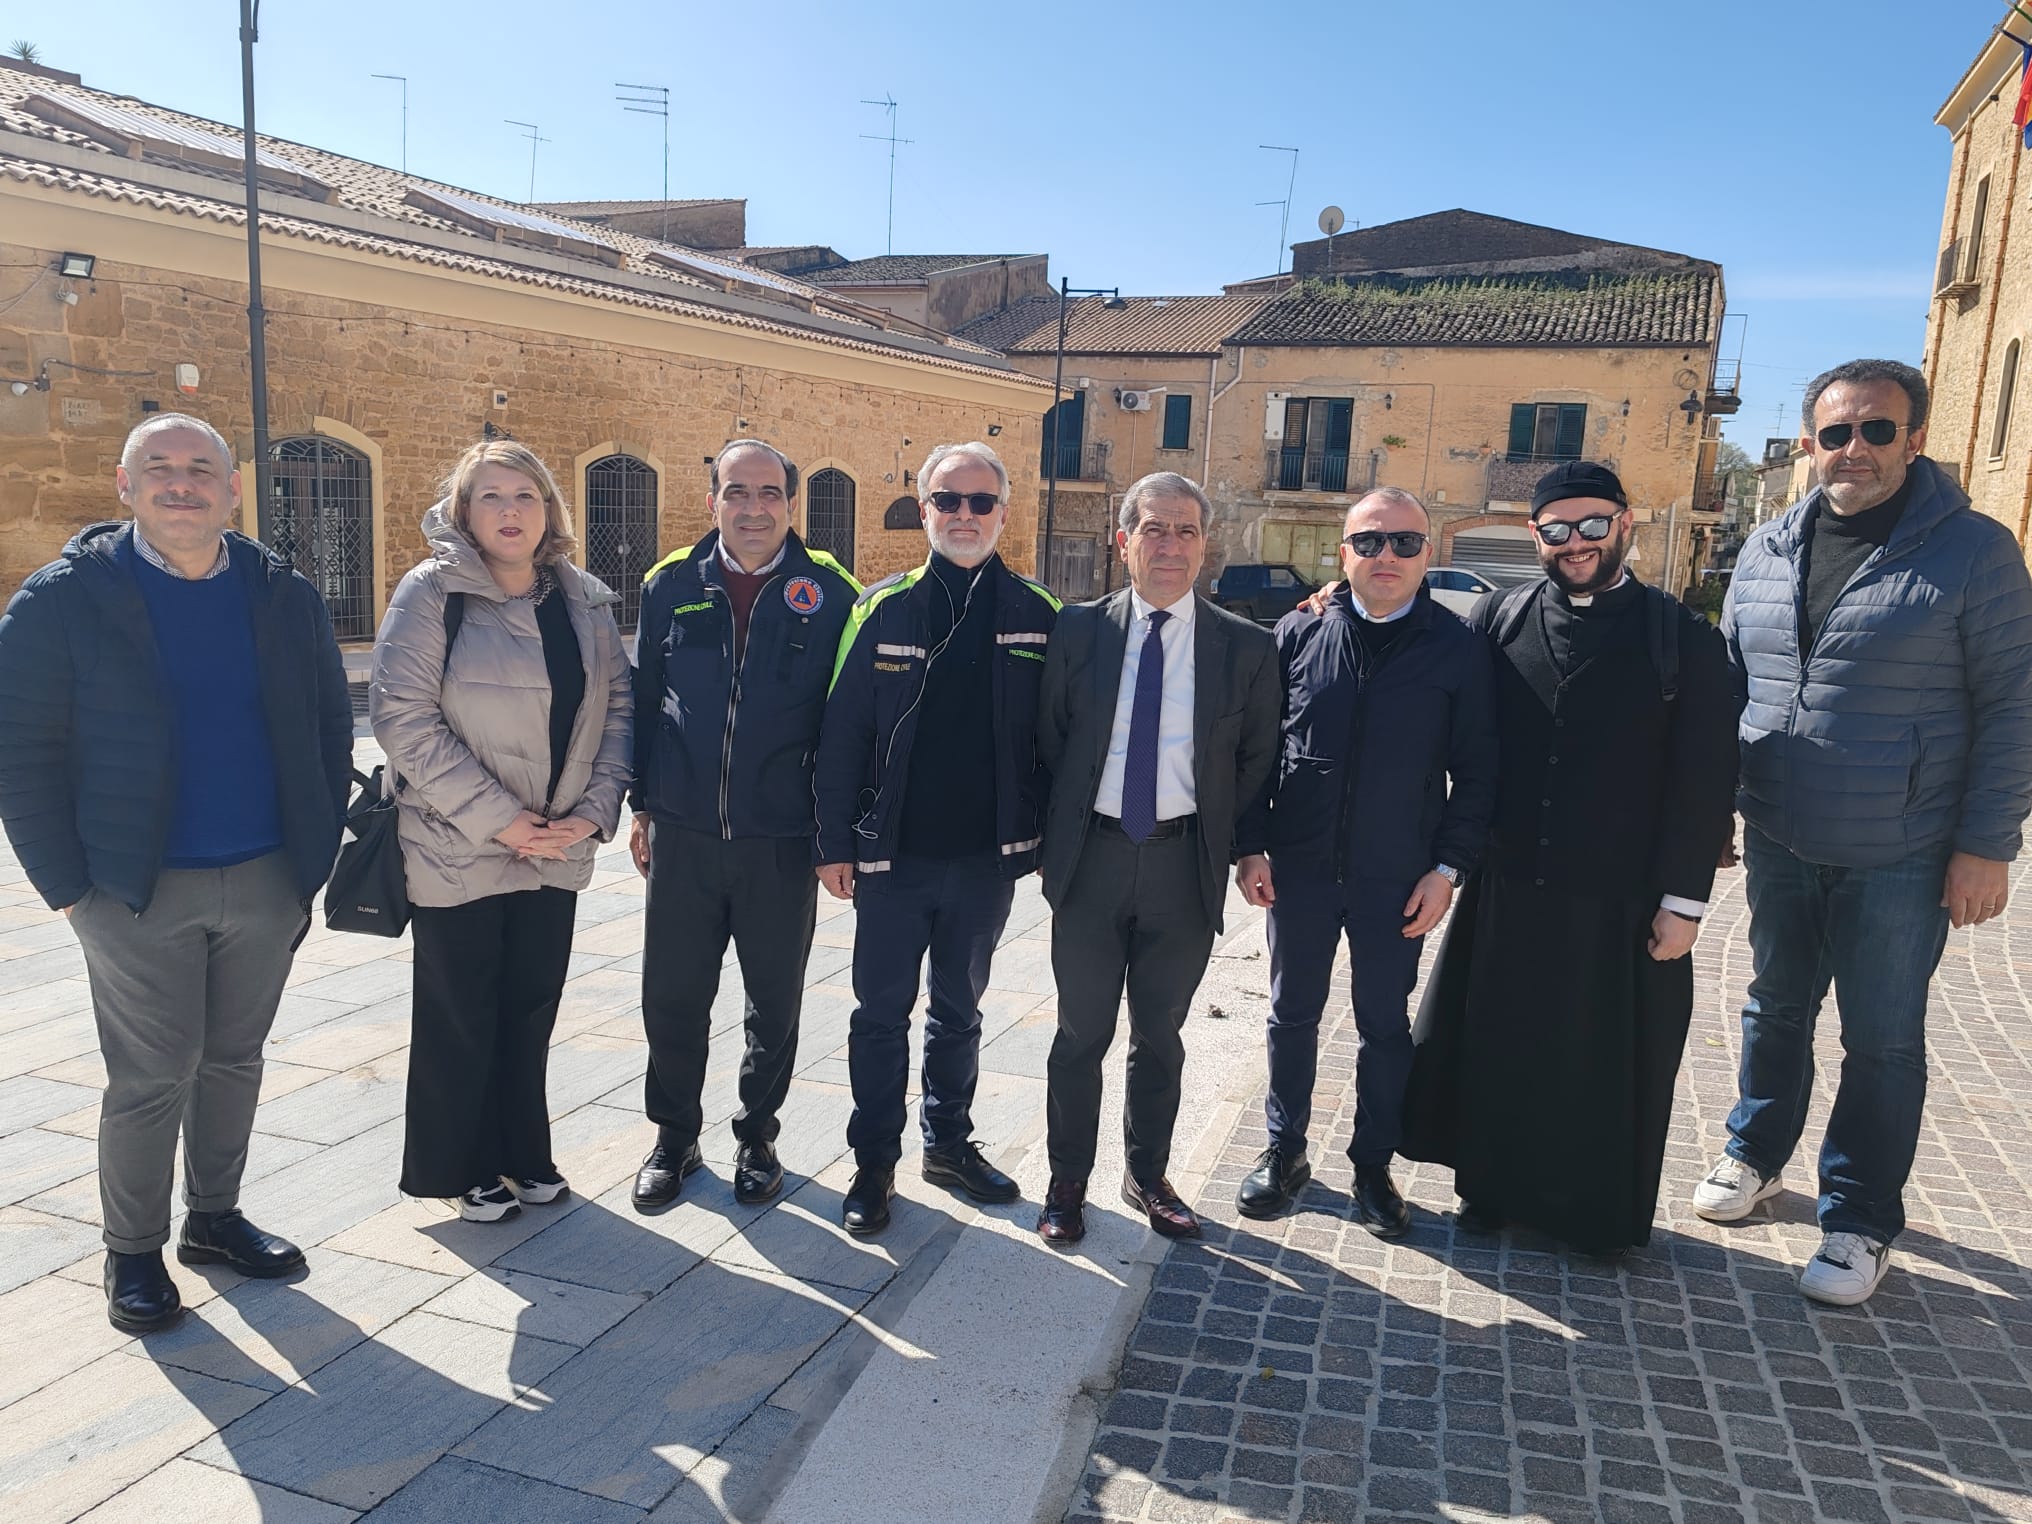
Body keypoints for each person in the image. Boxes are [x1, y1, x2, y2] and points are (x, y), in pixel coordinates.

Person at [0, 414, 352, 1332]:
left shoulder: (283, 594)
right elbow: (20, 750)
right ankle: (132, 1252)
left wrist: (311, 857)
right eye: (159, 467)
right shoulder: (64, 599)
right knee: (152, 1074)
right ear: (125, 486)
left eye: (201, 468)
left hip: (266, 877)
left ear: (232, 489)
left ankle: (215, 1219)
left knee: (234, 1059)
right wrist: (68, 889)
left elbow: (327, 725)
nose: (180, 483)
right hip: (134, 886)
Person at [1694, 359, 2032, 1304]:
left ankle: (1859, 1218)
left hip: (1903, 848)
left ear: (1913, 440)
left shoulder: (1974, 552)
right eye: (1836, 433)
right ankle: (1755, 1154)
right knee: (1774, 1008)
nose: (1855, 449)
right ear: (1811, 443)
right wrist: (1710, 808)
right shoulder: (1766, 549)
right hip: (1780, 834)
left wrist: (1987, 845)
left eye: (1877, 430)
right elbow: (1730, 686)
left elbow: (2014, 706)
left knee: (1881, 1039)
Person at [1398, 461, 1740, 1256]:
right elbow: (1423, 667)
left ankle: (1592, 1218)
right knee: (1504, 1044)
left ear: (1625, 524)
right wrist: (1331, 605)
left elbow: (1705, 777)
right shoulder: (1498, 618)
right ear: (1536, 535)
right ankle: (1491, 1190)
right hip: (1510, 887)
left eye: (1592, 525)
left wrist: (1684, 902)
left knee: (1600, 1063)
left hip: (1623, 898)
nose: (1576, 542)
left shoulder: (1681, 638)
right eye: (1557, 529)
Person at [371, 441, 632, 1223]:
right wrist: (503, 821)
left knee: (530, 1006)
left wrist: (595, 811)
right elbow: (402, 720)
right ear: (463, 511)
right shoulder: (431, 593)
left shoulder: (584, 599)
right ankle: (462, 1165)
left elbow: (620, 710)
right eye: (491, 496)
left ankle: (523, 1151)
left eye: (526, 495)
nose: (510, 511)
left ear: (549, 508)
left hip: (556, 843)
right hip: (457, 845)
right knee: (461, 1012)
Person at [1229, 487, 1497, 1235]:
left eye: (1404, 542)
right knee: (1291, 1014)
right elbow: (1257, 752)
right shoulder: (1298, 632)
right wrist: (1249, 845)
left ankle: (1373, 1165)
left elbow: (1479, 772)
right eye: (1370, 541)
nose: (1387, 556)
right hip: (1300, 868)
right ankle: (1284, 1150)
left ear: (1427, 554)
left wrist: (1448, 870)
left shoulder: (1458, 647)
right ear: (1343, 552)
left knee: (1383, 1024)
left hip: (1398, 876)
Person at [815, 442, 1060, 1234]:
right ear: (924, 510)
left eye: (980, 502)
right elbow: (842, 733)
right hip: (893, 859)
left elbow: (1064, 736)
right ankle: (873, 1165)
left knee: (960, 1012)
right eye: (947, 500)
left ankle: (948, 1146)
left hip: (986, 861)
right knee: (879, 1016)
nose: (964, 515)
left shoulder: (1039, 613)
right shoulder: (881, 609)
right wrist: (832, 842)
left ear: (1003, 514)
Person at [1034, 471, 1280, 1246]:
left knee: (1160, 1037)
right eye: (1154, 528)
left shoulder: (1247, 648)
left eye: (1185, 531)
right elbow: (1050, 741)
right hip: (1093, 863)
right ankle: (1067, 1181)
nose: (1170, 545)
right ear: (1124, 541)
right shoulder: (1078, 632)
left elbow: (1256, 761)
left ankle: (1147, 1175)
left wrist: (1247, 850)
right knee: (1080, 1035)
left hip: (1183, 869)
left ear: (1205, 545)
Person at [629, 440, 859, 1211]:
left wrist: (834, 836)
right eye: (737, 492)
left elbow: (844, 725)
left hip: (780, 839)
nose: (753, 508)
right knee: (672, 996)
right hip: (684, 832)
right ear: (713, 502)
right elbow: (645, 704)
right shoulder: (669, 584)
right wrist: (642, 806)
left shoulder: (832, 593)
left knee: (774, 1000)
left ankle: (758, 1136)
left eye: (768, 493)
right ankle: (674, 1138)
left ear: (791, 504)